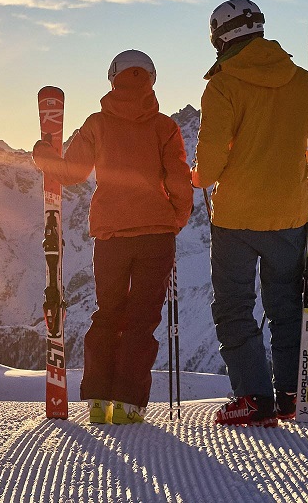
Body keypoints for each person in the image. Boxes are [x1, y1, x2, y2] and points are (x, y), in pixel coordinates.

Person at [194, 0, 308, 426]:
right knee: (286, 305)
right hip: (290, 212)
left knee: (234, 305)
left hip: (235, 217)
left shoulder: (223, 85)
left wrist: (196, 178)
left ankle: (252, 397)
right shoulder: (300, 81)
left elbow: (209, 162)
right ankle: (290, 393)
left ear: (219, 37)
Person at [33, 50, 193, 425]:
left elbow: (71, 172)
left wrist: (43, 154)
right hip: (156, 235)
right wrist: (175, 219)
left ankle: (98, 400)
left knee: (108, 315)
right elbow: (179, 180)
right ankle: (127, 406)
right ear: (152, 79)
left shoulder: (97, 124)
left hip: (111, 235)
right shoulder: (164, 127)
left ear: (112, 78)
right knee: (142, 320)